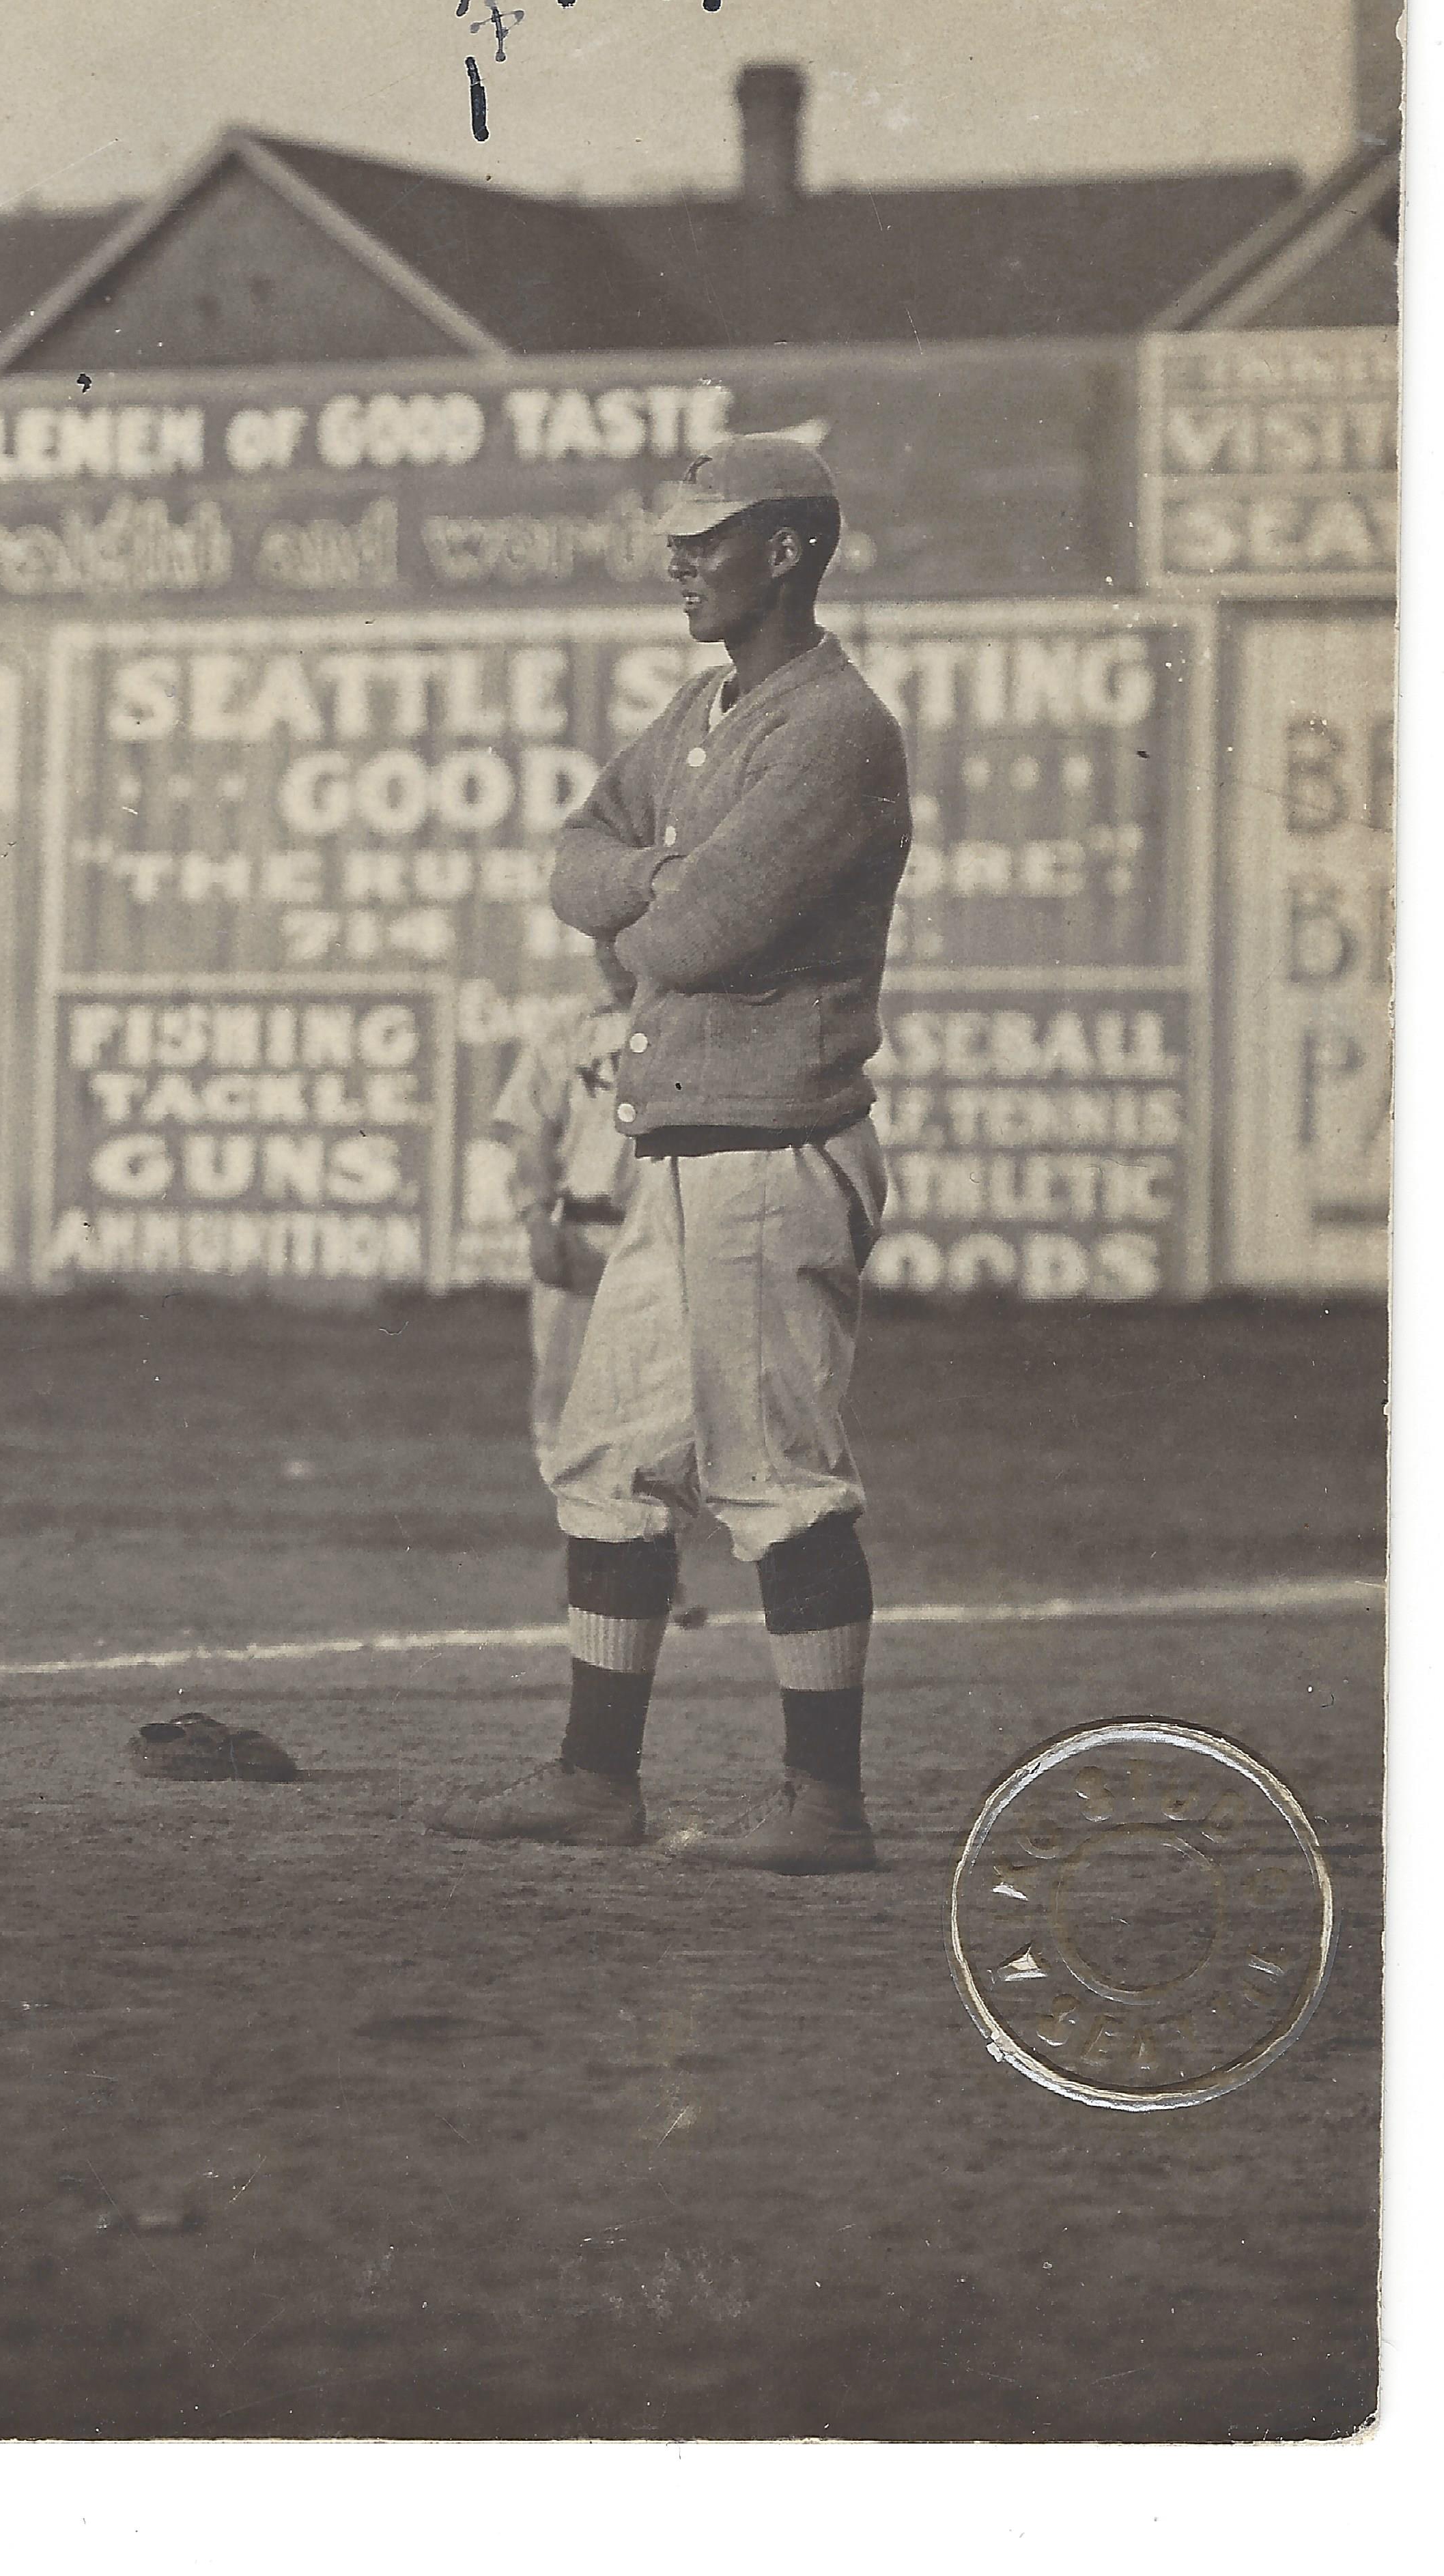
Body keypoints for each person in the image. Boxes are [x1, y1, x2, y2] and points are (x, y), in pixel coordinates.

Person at [431, 436, 907, 1873]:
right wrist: (656, 875)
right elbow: (576, 857)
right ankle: (595, 1781)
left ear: (787, 549)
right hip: (686, 1154)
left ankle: (822, 1803)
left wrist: (649, 897)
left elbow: (693, 937)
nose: (677, 559)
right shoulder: (705, 708)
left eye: (707, 536)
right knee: (608, 1461)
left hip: (772, 1152)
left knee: (776, 1478)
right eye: (676, 537)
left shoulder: (831, 725)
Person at [491, 956, 643, 1462]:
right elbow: (530, 1133)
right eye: (603, 940)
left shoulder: (692, 1023)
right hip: (583, 1228)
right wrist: (536, 1220)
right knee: (565, 1419)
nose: (613, 953)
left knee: (661, 1419)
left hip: (665, 1235)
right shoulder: (571, 1029)